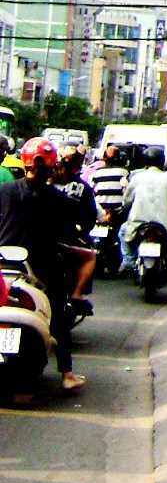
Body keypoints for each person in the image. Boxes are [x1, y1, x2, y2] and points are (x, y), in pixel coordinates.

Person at [0, 138, 85, 392]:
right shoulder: (57, 199)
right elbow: (69, 232)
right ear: (51, 166)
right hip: (41, 268)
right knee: (59, 311)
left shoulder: (5, 191)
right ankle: (67, 373)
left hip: (3, 262)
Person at [118, 146, 167, 273]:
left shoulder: (137, 178)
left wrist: (125, 207)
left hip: (138, 224)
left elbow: (126, 201)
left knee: (123, 231)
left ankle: (128, 262)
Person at [53, 143, 97, 316]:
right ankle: (76, 294)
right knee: (90, 256)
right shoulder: (45, 187)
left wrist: (77, 228)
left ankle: (76, 293)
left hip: (67, 237)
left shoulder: (82, 188)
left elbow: (89, 218)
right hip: (49, 237)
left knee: (90, 253)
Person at [89, 145, 129, 212]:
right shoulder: (124, 172)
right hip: (118, 209)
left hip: (101, 210)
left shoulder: (97, 173)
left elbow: (90, 189)